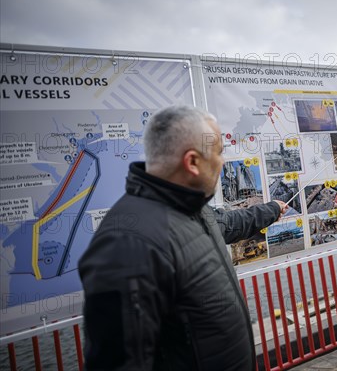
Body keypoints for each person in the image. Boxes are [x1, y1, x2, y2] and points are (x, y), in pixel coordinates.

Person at [78, 105, 287, 370]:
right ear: (192, 162)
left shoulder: (192, 208)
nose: (222, 162)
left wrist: (271, 210)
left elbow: (228, 223)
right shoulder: (129, 244)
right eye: (219, 153)